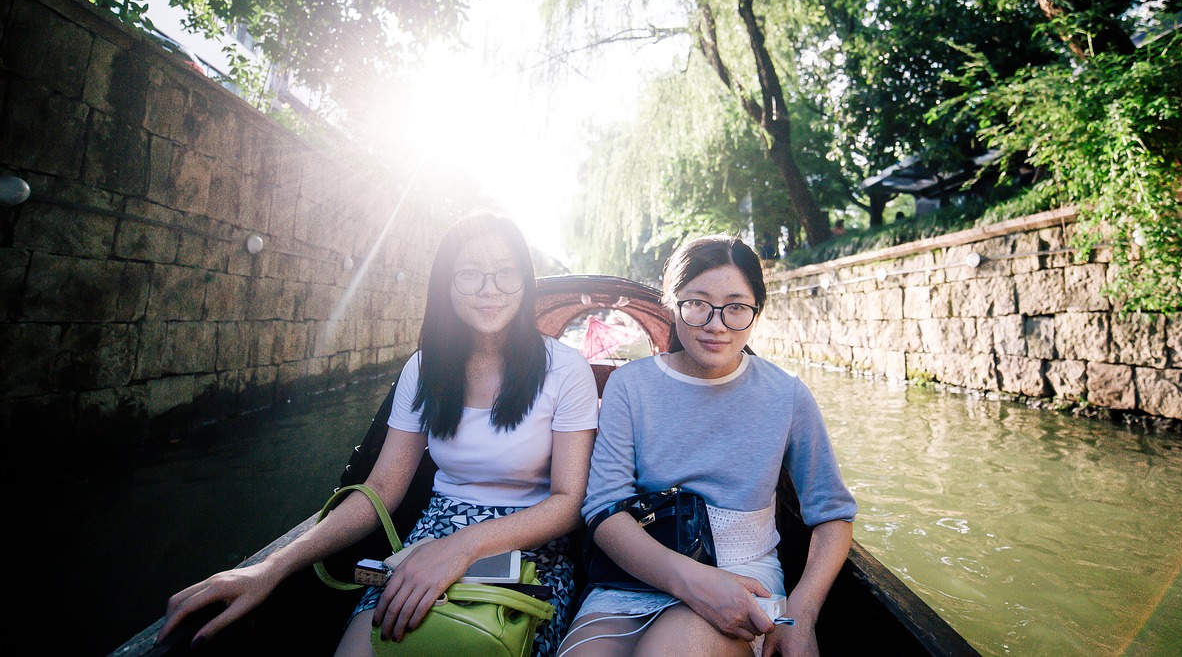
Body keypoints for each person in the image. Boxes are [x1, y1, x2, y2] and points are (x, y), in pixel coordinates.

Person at [159, 212, 598, 657]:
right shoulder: (424, 369)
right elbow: (383, 488)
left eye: (507, 273)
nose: (490, 289)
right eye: (469, 275)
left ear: (525, 282)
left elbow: (567, 502)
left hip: (528, 542)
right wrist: (272, 568)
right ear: (445, 284)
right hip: (434, 531)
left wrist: (462, 548)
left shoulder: (565, 369)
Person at [557, 235, 857, 657]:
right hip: (634, 575)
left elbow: (833, 516)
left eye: (736, 307)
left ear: (756, 312)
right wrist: (693, 580)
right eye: (697, 303)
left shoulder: (786, 394)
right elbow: (604, 508)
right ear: (672, 302)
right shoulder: (631, 384)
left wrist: (801, 613)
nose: (716, 325)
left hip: (744, 576)